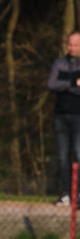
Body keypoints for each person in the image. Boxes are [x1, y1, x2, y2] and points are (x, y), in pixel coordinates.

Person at [48, 30, 80, 207]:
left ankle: (79, 193)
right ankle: (66, 193)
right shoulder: (59, 62)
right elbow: (52, 84)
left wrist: (64, 83)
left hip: (78, 116)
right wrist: (73, 82)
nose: (72, 48)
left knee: (79, 153)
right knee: (62, 156)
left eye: (75, 45)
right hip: (60, 115)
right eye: (69, 44)